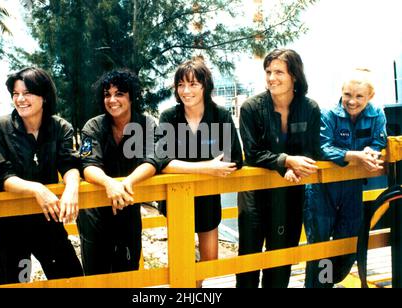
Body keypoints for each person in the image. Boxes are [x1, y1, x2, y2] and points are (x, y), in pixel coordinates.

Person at [0, 67, 83, 284]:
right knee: (17, 282)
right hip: (8, 226)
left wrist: (72, 188)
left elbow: (69, 163)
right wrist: (37, 188)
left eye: (27, 93)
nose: (20, 99)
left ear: (44, 96)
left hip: (47, 220)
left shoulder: (60, 127)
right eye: (16, 94)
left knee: (71, 279)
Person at [155, 58, 243, 288]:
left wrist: (182, 163)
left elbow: (235, 158)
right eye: (181, 85)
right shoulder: (169, 117)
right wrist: (207, 167)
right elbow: (161, 160)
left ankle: (196, 282)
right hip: (176, 197)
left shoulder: (220, 115)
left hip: (207, 197)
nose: (186, 91)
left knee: (210, 260)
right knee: (181, 260)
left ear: (205, 86)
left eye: (193, 84)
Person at [236, 49, 321, 288]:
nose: (271, 77)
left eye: (279, 72)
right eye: (268, 72)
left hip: (290, 191)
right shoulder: (251, 108)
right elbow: (252, 153)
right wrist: (286, 161)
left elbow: (312, 149)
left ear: (294, 75)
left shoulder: (310, 108)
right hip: (255, 193)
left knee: (282, 258)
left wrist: (295, 164)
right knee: (249, 258)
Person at [304, 68, 387, 288]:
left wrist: (371, 150)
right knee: (321, 249)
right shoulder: (327, 114)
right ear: (341, 92)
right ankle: (320, 286)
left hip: (352, 190)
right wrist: (355, 156)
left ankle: (332, 280)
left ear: (370, 96)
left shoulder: (377, 114)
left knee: (350, 245)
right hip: (323, 190)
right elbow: (321, 148)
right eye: (347, 94)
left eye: (359, 96)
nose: (352, 101)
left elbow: (380, 142)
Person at [77, 70, 159, 275]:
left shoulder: (147, 124)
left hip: (128, 205)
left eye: (119, 93)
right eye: (107, 94)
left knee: (128, 271)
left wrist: (126, 183)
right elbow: (88, 165)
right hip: (94, 212)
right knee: (97, 275)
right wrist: (109, 183)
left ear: (131, 96)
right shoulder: (92, 126)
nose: (112, 100)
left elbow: (154, 160)